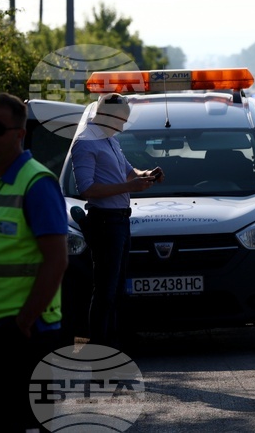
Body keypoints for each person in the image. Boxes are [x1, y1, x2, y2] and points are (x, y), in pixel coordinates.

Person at [0, 92, 69, 431]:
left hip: (24, 334)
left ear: (19, 135)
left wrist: (24, 321)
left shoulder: (37, 183)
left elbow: (57, 259)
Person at [70, 93, 163, 347]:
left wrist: (147, 175)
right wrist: (127, 186)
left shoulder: (109, 139)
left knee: (117, 290)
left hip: (119, 221)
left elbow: (128, 171)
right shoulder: (85, 143)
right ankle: (101, 349)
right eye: (121, 119)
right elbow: (87, 189)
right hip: (105, 222)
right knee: (105, 291)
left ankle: (113, 344)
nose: (123, 125)